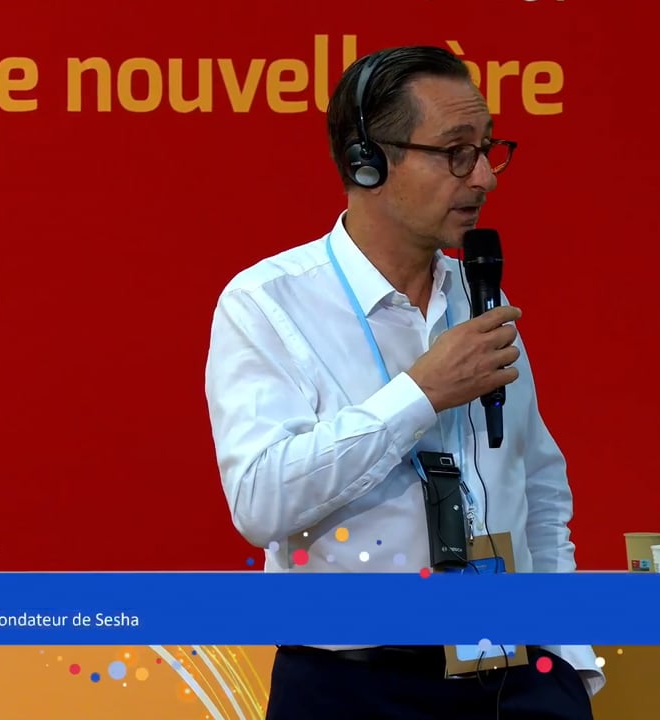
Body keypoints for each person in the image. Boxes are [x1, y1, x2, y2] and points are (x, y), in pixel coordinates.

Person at [203, 45, 603, 720]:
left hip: (513, 677)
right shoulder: (268, 303)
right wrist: (419, 394)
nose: (484, 177)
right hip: (353, 686)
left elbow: (537, 485)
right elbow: (261, 502)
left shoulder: (480, 296)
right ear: (368, 161)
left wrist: (568, 659)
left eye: (487, 149)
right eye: (456, 152)